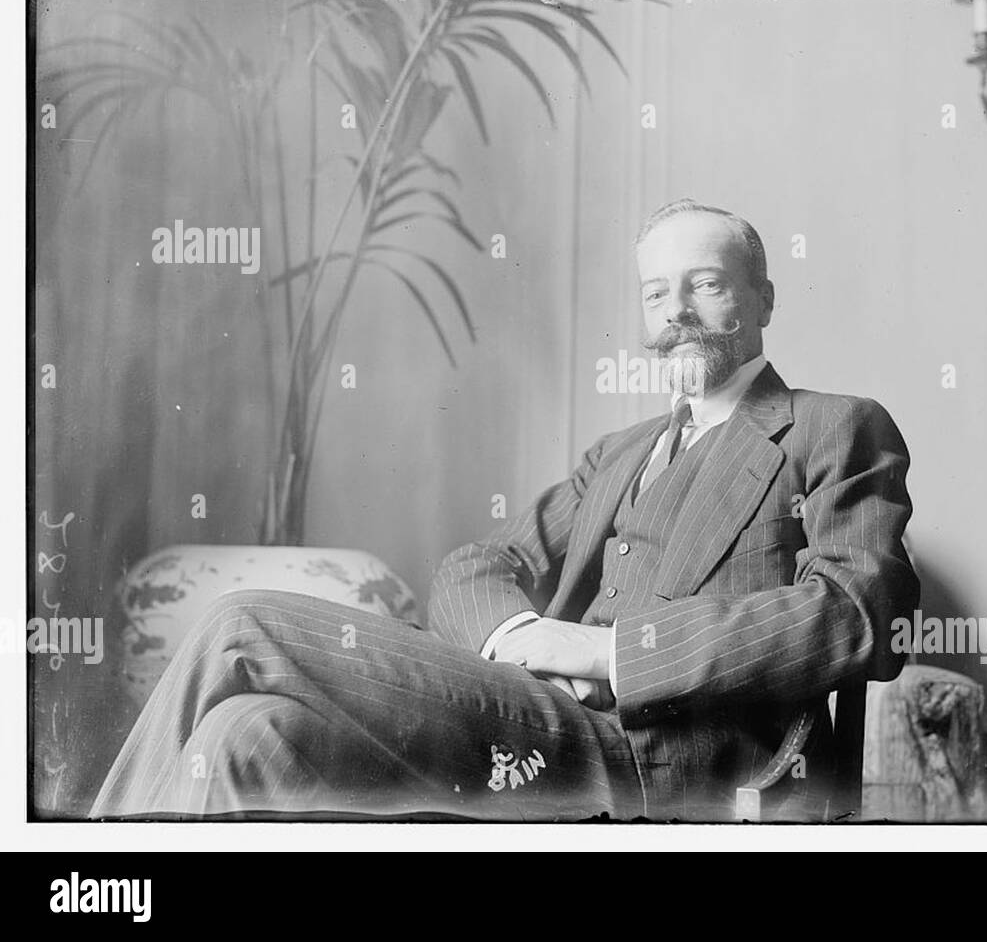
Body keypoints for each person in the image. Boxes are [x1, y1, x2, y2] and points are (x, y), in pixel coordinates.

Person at [91, 198, 919, 822]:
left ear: (765, 299)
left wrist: (603, 651)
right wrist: (520, 638)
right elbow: (477, 565)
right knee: (244, 734)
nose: (676, 313)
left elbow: (858, 615)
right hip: (532, 711)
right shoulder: (620, 453)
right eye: (657, 292)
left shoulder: (832, 425)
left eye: (705, 285)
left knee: (241, 624)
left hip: (655, 756)